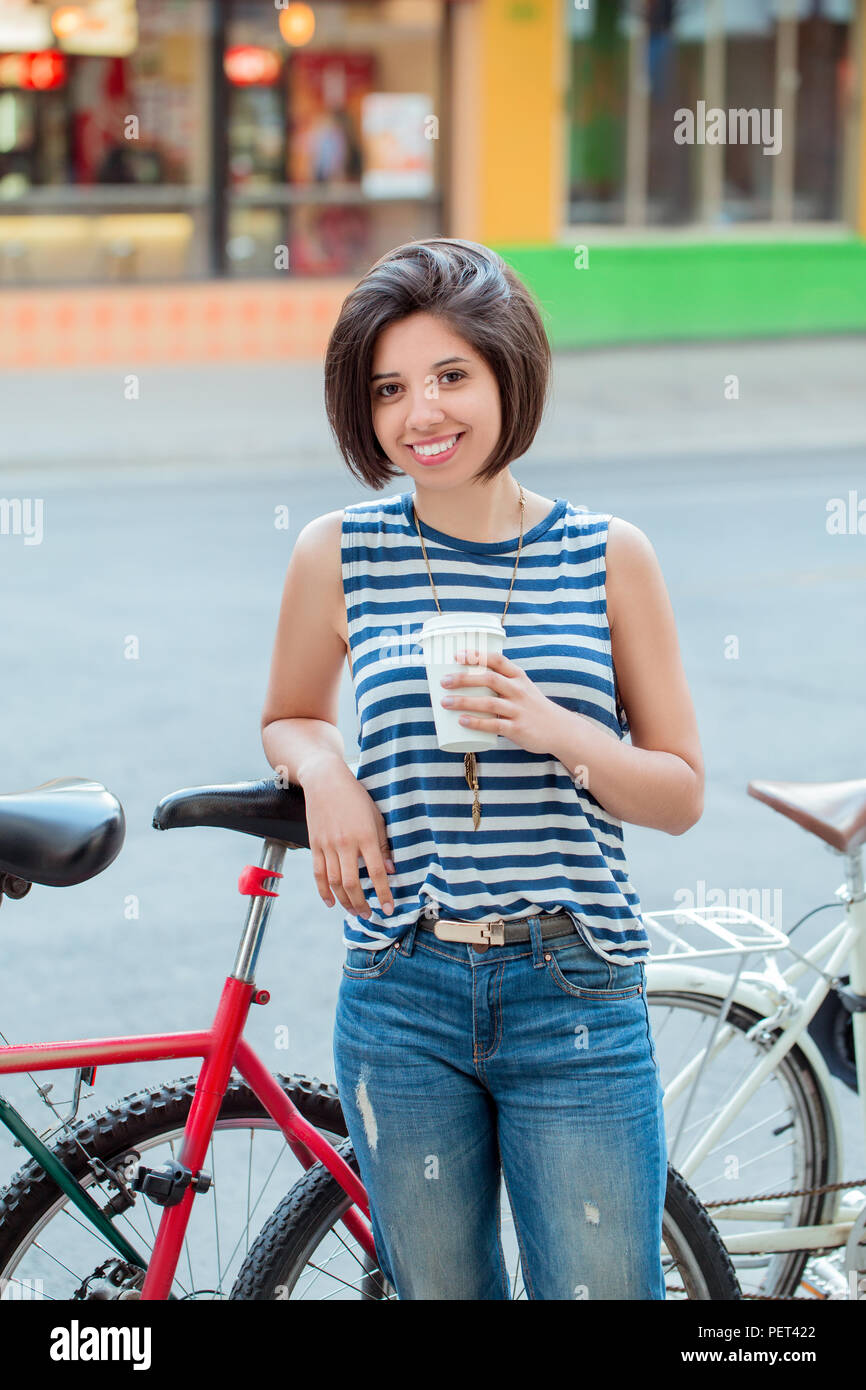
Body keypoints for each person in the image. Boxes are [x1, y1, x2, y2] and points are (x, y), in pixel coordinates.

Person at [260, 237, 704, 1300]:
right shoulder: (338, 550)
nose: (422, 414)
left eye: (451, 375)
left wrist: (558, 728)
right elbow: (287, 713)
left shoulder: (606, 553)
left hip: (574, 989)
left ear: (509, 371)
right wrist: (324, 772)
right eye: (388, 388)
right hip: (400, 986)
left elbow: (678, 791)